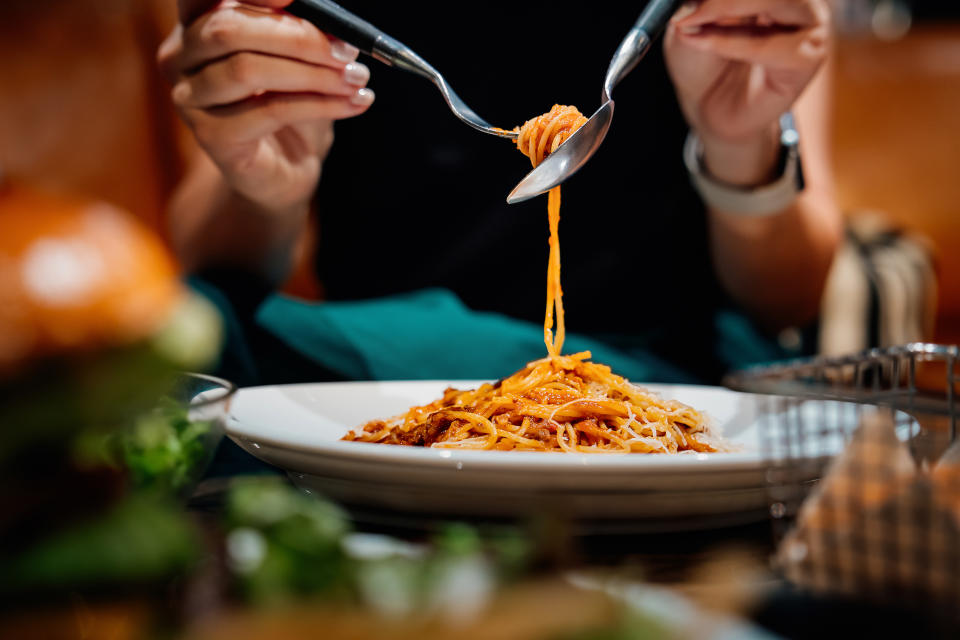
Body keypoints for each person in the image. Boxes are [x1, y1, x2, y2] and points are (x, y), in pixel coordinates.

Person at [158, 0, 840, 384]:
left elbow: (790, 296)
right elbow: (210, 265)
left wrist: (740, 146)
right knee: (176, 344)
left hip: (663, 371)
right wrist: (263, 182)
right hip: (371, 377)